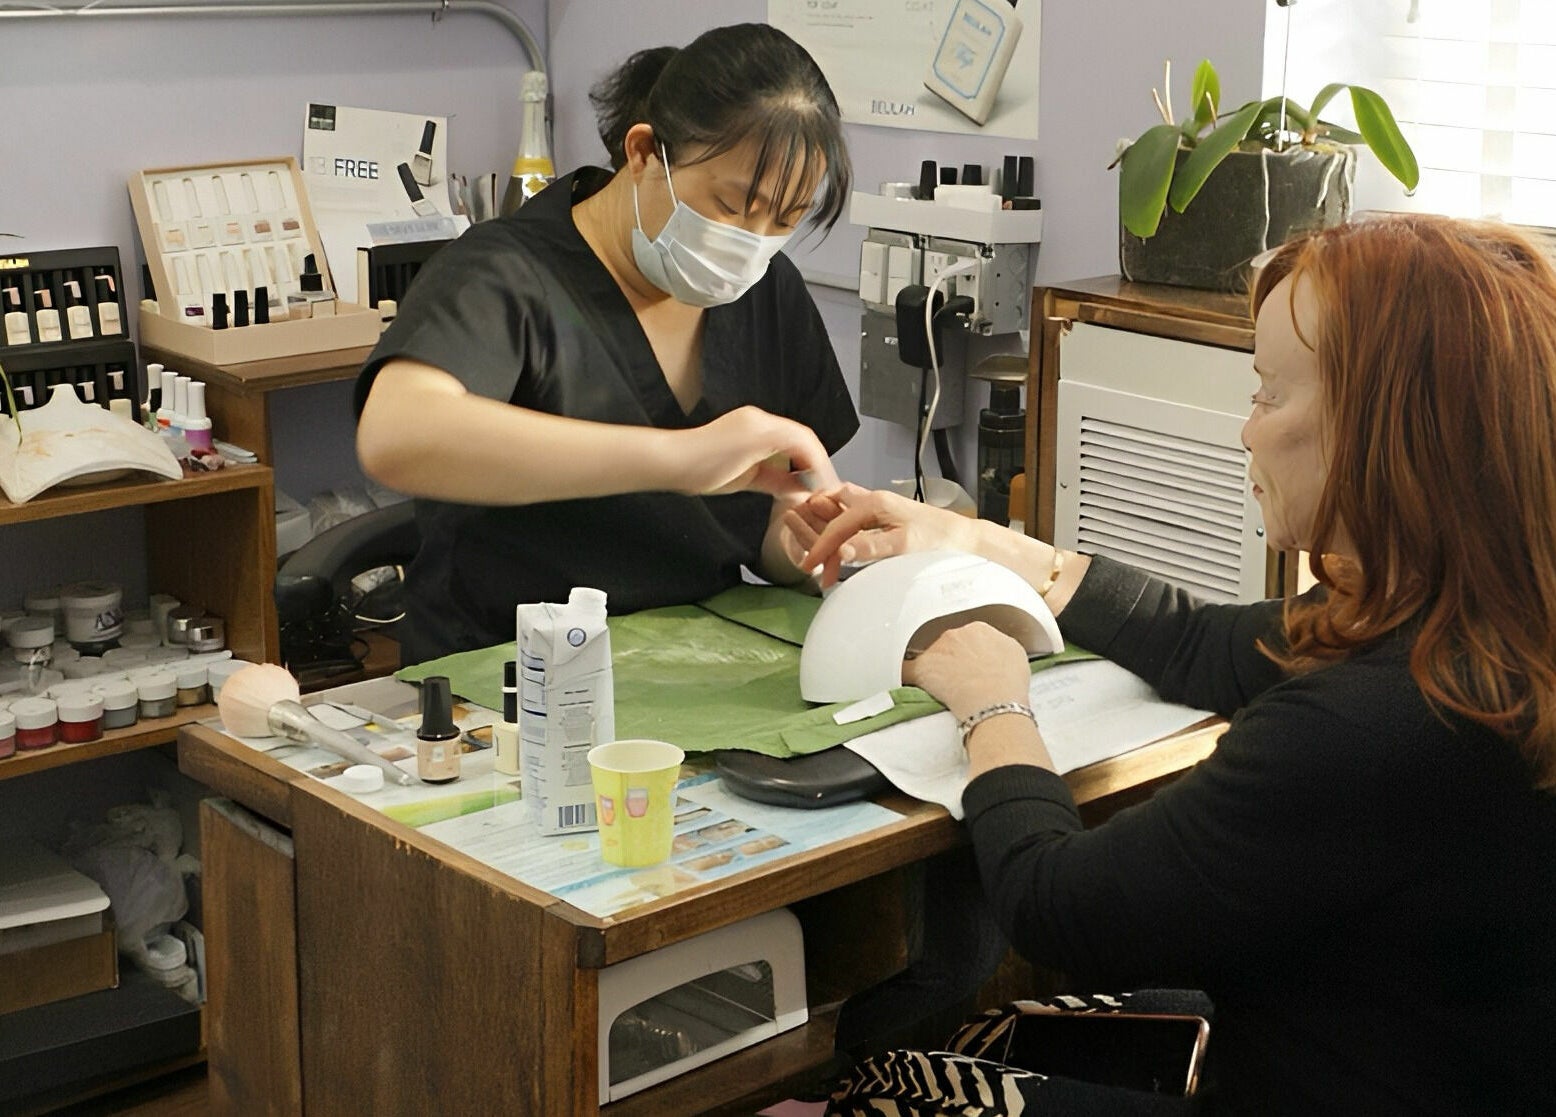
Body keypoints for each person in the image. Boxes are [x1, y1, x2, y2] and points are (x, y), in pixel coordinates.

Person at [799, 214, 1556, 1113]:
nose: (1245, 431)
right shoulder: (1478, 623)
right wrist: (979, 542)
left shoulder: (1367, 726)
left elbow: (1056, 903)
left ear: (1386, 426)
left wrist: (992, 705)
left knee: (894, 1082)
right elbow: (1206, 642)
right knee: (995, 1035)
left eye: (1270, 394)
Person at [354, 23, 858, 664]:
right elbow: (396, 435)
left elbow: (765, 515)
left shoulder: (764, 289)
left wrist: (801, 544)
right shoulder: (504, 273)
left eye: (783, 221)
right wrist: (679, 459)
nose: (751, 242)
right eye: (732, 205)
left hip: (696, 661)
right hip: (502, 675)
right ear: (645, 153)